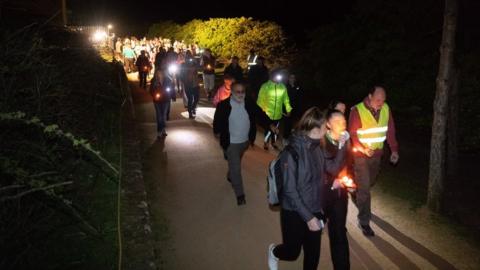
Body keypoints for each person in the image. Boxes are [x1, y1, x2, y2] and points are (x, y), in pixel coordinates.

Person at [268, 107, 346, 270]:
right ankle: (274, 251)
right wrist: (309, 219)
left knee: (313, 256)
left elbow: (332, 169)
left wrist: (341, 146)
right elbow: (290, 191)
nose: (328, 130)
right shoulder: (292, 152)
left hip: (314, 207)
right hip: (294, 211)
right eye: (325, 127)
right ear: (316, 129)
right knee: (292, 252)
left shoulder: (319, 146)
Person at [348, 85, 399, 237]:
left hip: (377, 155)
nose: (381, 103)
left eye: (383, 100)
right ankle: (364, 221)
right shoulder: (357, 110)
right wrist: (363, 149)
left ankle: (357, 193)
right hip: (361, 155)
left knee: (369, 183)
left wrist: (394, 150)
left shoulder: (386, 109)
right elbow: (353, 134)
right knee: (365, 188)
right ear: (370, 96)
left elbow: (390, 131)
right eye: (378, 99)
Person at [213, 82, 257, 206]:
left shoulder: (249, 103)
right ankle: (240, 195)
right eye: (237, 91)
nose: (240, 94)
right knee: (236, 169)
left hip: (244, 142)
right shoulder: (223, 105)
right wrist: (217, 131)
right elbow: (217, 121)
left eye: (242, 91)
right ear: (232, 92)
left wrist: (269, 124)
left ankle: (230, 173)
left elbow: (259, 114)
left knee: (234, 164)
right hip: (231, 143)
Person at [323, 109, 352, 270]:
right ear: (328, 124)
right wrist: (342, 145)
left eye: (344, 122)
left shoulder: (346, 141)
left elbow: (349, 163)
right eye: (337, 122)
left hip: (340, 195)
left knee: (339, 232)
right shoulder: (322, 142)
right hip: (321, 194)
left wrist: (351, 182)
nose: (342, 125)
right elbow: (332, 169)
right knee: (312, 233)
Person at [257, 73, 292, 150]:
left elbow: (286, 100)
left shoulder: (282, 87)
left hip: (278, 114)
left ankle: (274, 142)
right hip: (267, 114)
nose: (278, 78)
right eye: (276, 76)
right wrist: (264, 110)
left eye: (280, 76)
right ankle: (266, 143)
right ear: (272, 76)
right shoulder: (265, 86)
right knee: (268, 130)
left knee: (276, 130)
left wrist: (288, 109)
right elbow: (260, 101)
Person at [149, 69, 174, 137]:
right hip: (157, 101)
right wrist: (154, 95)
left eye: (161, 73)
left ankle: (163, 129)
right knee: (159, 116)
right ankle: (159, 131)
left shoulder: (167, 80)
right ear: (156, 74)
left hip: (165, 100)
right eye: (158, 73)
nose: (159, 74)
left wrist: (172, 96)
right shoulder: (154, 81)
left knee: (163, 116)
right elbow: (151, 90)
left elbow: (171, 88)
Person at [180, 51, 200, 119]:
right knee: (190, 99)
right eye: (187, 56)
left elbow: (199, 67)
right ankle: (190, 113)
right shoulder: (183, 65)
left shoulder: (194, 63)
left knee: (197, 98)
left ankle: (193, 108)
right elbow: (180, 75)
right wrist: (185, 81)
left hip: (195, 84)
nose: (189, 58)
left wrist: (195, 62)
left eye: (190, 56)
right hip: (188, 84)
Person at [283, 74, 302, 141]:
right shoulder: (285, 87)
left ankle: (288, 138)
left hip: (294, 109)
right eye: (291, 77)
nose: (292, 79)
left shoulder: (297, 88)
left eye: (293, 77)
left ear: (295, 79)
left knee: (291, 125)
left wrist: (298, 110)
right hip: (286, 109)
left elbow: (299, 99)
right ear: (288, 79)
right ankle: (284, 138)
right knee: (286, 123)